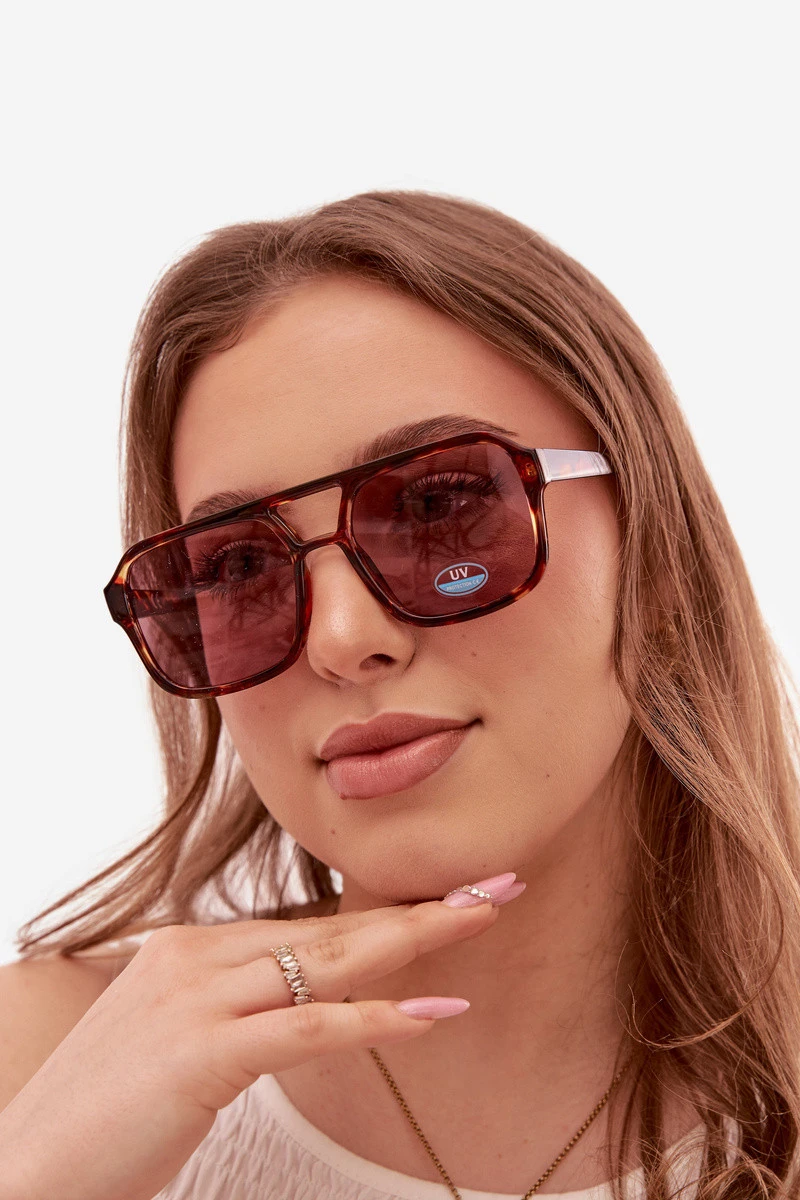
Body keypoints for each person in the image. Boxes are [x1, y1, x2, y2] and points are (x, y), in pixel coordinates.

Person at [1, 191, 798, 1200]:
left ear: (658, 559)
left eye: (439, 505)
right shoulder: (38, 1067)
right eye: (237, 566)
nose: (340, 640)